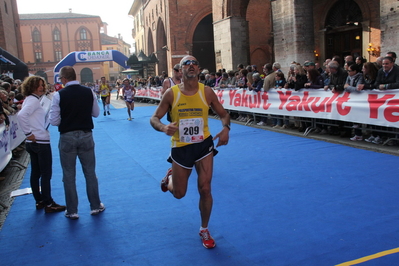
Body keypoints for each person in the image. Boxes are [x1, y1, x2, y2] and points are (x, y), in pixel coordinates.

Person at [150, 55, 230, 249]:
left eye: (194, 63)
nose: (191, 66)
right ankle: (168, 180)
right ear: (180, 71)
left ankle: (204, 229)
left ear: (199, 68)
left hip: (203, 145)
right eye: (187, 63)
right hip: (181, 147)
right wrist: (163, 127)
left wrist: (226, 128)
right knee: (179, 193)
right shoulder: (171, 93)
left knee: (205, 188)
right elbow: (154, 118)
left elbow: (224, 114)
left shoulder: (207, 92)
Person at [49, 66, 105, 220]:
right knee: (90, 173)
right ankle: (95, 205)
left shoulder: (58, 95)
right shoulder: (89, 91)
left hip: (67, 136)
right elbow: (96, 113)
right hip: (86, 134)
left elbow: (53, 121)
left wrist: (66, 119)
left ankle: (72, 210)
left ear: (64, 79)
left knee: (68, 175)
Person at [17, 76, 66, 213]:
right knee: (45, 173)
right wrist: (28, 133)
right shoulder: (33, 101)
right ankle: (49, 203)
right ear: (31, 87)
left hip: (33, 141)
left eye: (42, 85)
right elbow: (21, 116)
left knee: (36, 172)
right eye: (38, 85)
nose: (42, 88)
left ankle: (39, 200)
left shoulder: (31, 99)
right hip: (39, 141)